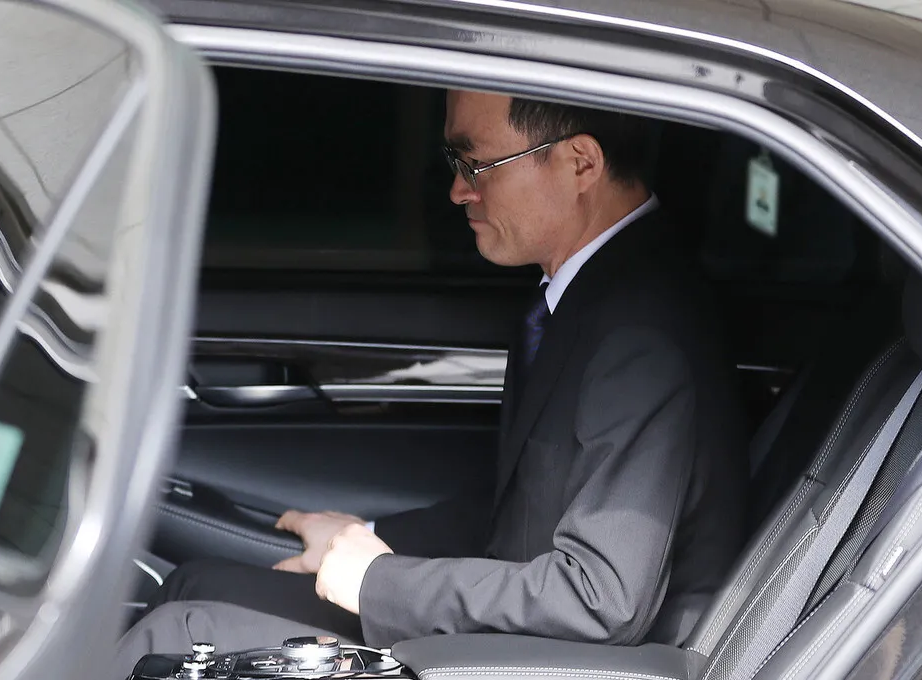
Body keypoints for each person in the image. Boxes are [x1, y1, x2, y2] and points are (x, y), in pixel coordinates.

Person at [112, 91, 747, 675]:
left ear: (580, 163)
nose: (458, 190)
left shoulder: (641, 331)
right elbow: (524, 507)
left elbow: (600, 599)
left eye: (478, 164)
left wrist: (378, 582)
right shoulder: (594, 292)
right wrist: (370, 541)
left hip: (563, 664)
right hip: (518, 636)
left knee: (175, 633)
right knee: (195, 586)